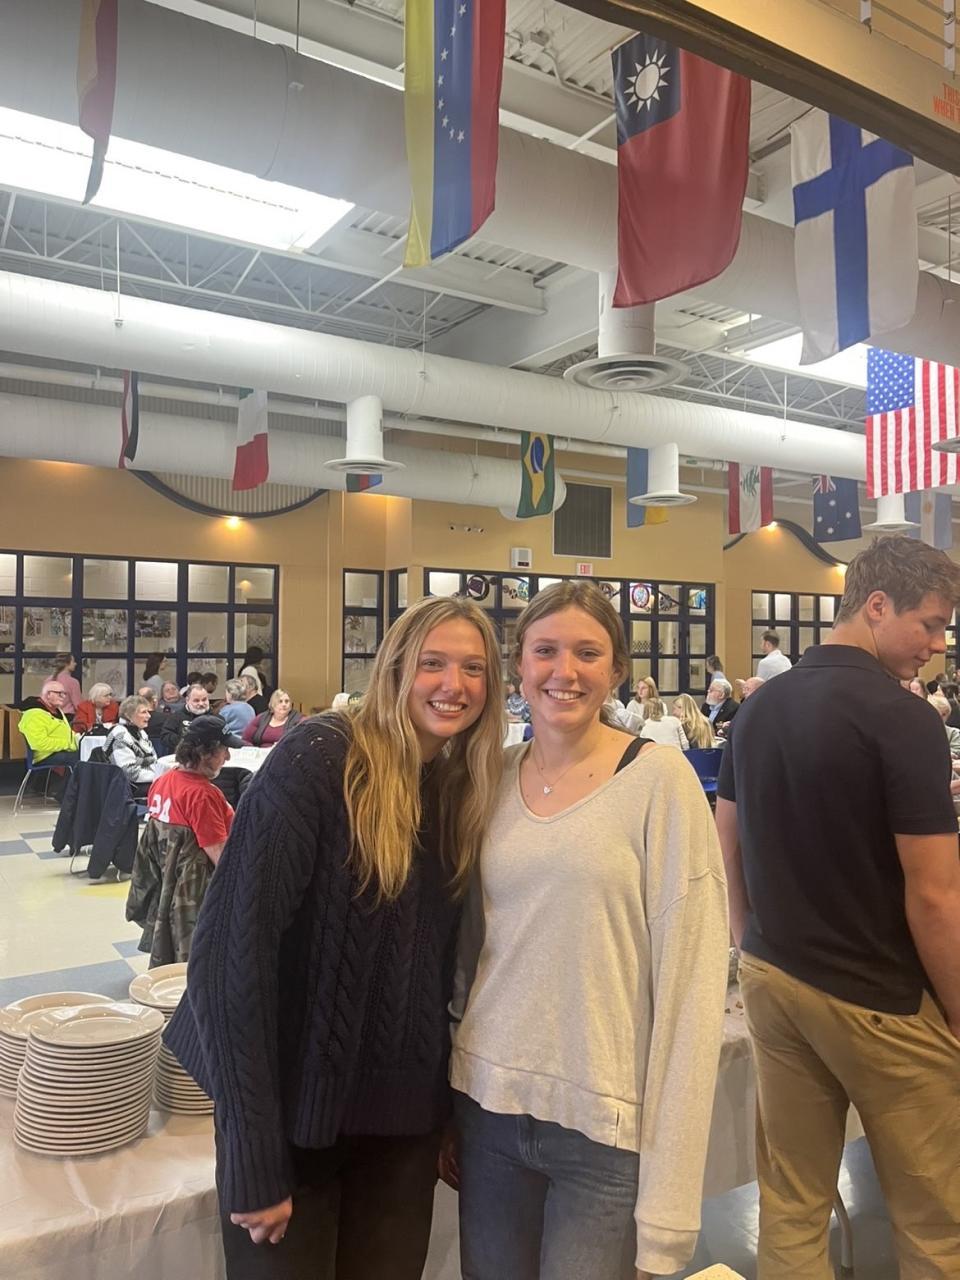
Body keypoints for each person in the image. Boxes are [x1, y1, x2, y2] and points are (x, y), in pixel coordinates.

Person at [163, 596, 504, 1279]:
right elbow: (229, 958)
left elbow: (437, 975)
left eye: (474, 668)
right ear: (395, 668)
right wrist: (251, 1152)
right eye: (433, 663)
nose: (454, 684)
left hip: (401, 1131)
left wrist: (447, 1117)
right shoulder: (322, 758)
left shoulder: (460, 788)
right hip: (290, 1121)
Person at [449, 581, 729, 1280]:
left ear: (618, 670)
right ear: (520, 665)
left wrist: (668, 1216)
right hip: (487, 1108)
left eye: (587, 653)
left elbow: (691, 992)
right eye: (545, 651)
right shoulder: (489, 775)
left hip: (604, 1128)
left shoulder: (658, 781)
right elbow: (464, 955)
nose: (563, 672)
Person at [716, 535, 960, 1279]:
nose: (938, 645)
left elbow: (728, 838)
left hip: (774, 976)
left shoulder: (757, 707)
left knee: (792, 1204)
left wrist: (749, 942)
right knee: (935, 1219)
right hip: (877, 994)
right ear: (877, 606)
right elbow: (935, 895)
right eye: (930, 624)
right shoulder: (904, 719)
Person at [127, 715, 237, 967]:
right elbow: (220, 857)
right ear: (205, 753)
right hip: (195, 897)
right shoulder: (202, 795)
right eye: (224, 750)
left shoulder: (162, 782)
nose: (228, 757)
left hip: (168, 887)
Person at [103, 695, 160, 793]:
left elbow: (154, 760)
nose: (149, 716)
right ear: (129, 715)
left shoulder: (141, 732)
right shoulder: (120, 735)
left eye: (148, 711)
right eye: (143, 712)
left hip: (145, 780)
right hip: (127, 788)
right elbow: (129, 772)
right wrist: (159, 775)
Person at [19, 681, 79, 768]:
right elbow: (39, 743)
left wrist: (79, 740)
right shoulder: (33, 715)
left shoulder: (57, 711)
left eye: (64, 694)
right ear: (48, 694)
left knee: (92, 753)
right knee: (83, 758)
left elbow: (66, 733)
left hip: (61, 751)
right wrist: (68, 744)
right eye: (60, 693)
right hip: (45, 757)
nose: (63, 697)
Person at [927, 693, 960, 758]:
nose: (941, 717)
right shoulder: (919, 733)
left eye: (944, 714)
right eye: (937, 714)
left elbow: (957, 750)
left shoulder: (953, 733)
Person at [52, 653, 83, 719]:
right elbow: (78, 706)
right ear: (67, 664)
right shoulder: (72, 682)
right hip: (68, 718)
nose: (75, 664)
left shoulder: (48, 680)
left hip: (50, 717)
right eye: (73, 661)